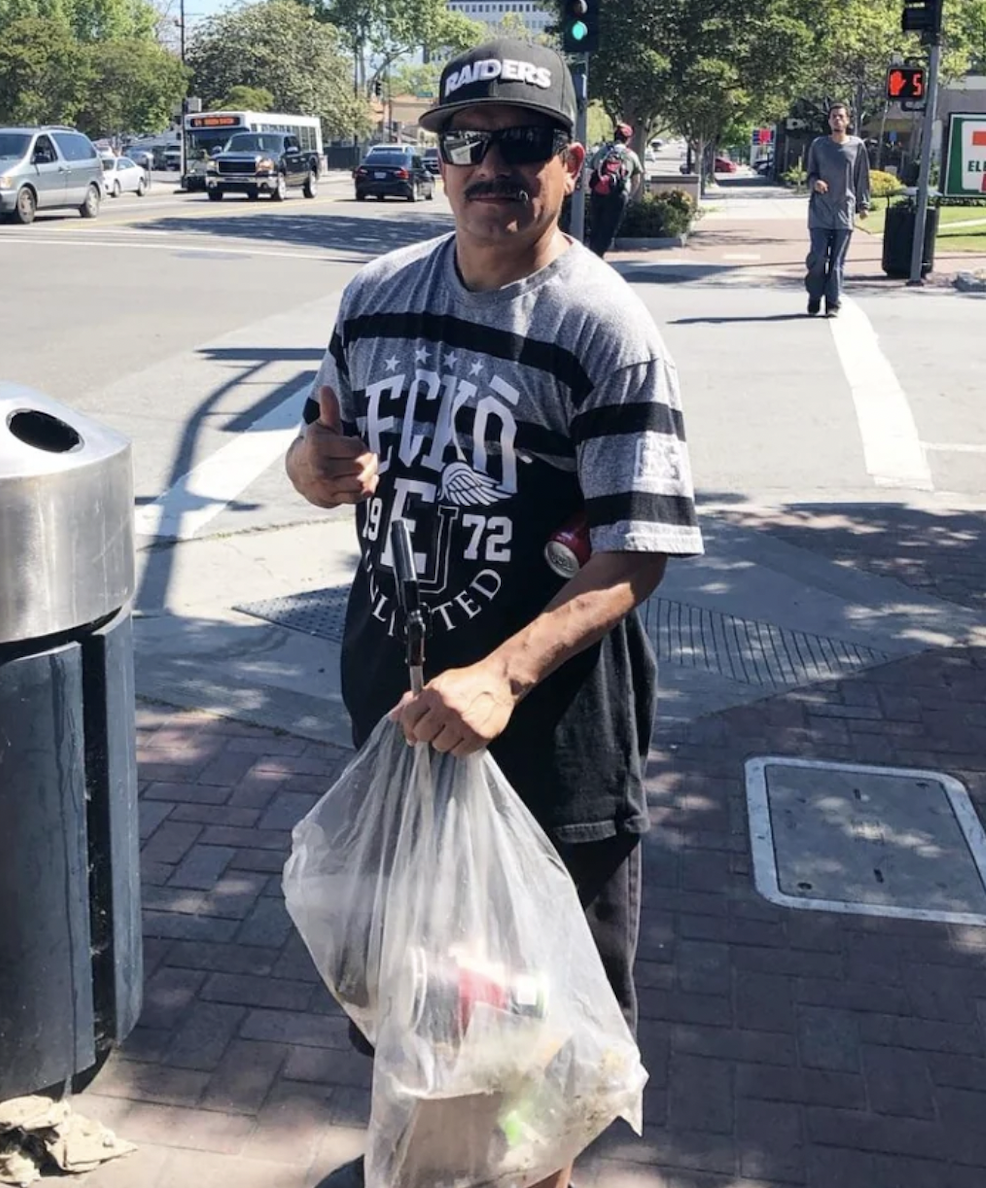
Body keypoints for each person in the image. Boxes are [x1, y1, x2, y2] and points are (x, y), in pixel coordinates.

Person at [285, 36, 703, 1188]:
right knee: (414, 1005)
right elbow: (319, 445)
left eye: (522, 144)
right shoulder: (374, 301)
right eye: (468, 142)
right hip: (399, 722)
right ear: (440, 162)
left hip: (551, 743)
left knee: (535, 1045)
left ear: (569, 163)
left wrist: (503, 676)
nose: (493, 168)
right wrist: (310, 465)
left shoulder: (601, 326)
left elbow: (638, 548)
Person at [804, 101, 871, 317]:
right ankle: (815, 295)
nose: (837, 119)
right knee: (818, 258)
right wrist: (815, 183)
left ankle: (832, 302)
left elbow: (862, 177)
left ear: (848, 120)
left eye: (841, 116)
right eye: (834, 116)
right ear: (829, 120)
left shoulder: (857, 146)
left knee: (836, 262)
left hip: (844, 211)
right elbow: (810, 174)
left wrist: (863, 204)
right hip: (820, 212)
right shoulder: (819, 145)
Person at [586, 123, 644, 258]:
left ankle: (593, 255)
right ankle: (598, 256)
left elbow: (589, 172)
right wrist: (629, 196)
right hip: (618, 195)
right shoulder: (631, 155)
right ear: (628, 139)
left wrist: (590, 191)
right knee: (608, 228)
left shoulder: (602, 151)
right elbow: (637, 180)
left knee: (596, 226)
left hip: (598, 193)